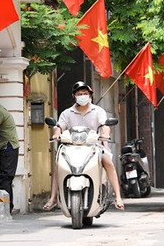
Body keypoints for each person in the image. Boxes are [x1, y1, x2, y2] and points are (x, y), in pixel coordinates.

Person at [43, 81, 125, 211]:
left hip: (94, 146)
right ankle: (53, 198)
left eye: (85, 93)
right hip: (71, 147)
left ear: (90, 95)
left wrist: (105, 134)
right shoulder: (67, 113)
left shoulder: (98, 111)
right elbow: (59, 126)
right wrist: (56, 134)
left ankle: (118, 197)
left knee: (109, 163)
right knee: (58, 165)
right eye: (79, 94)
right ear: (74, 96)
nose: (82, 96)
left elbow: (105, 126)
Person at [0, 90, 19, 214]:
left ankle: (5, 207)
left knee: (5, 178)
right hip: (9, 147)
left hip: (8, 147)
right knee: (6, 178)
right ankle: (8, 206)